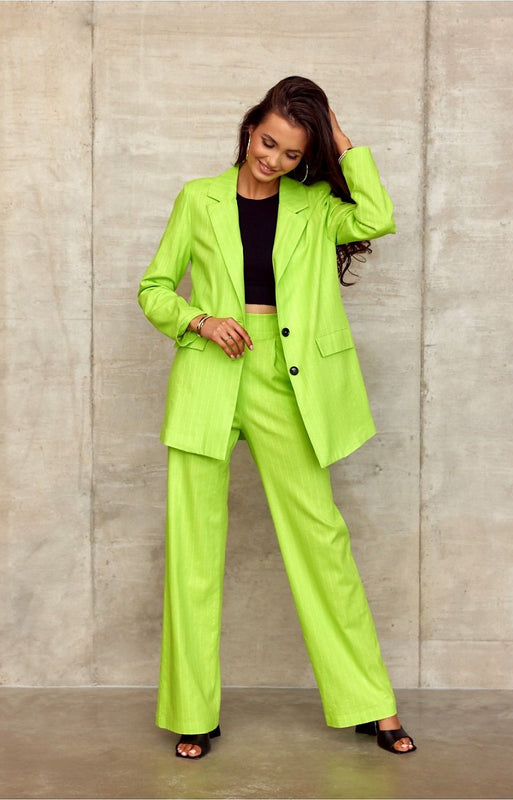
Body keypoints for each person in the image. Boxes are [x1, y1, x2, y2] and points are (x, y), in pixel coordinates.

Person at [138, 76, 416, 759]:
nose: (274, 160)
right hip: (208, 373)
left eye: (292, 153)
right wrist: (198, 320)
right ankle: (193, 712)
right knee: (193, 552)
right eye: (268, 143)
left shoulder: (314, 206)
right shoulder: (197, 198)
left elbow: (376, 216)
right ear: (248, 130)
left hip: (286, 381)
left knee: (320, 539)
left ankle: (369, 704)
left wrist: (341, 142)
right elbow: (153, 288)